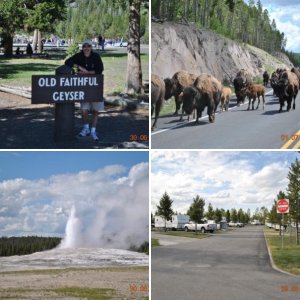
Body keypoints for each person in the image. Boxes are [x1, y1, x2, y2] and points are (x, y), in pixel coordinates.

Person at [65, 40, 104, 141]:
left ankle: (93, 130)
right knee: (84, 109)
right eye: (84, 46)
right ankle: (86, 128)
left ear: (91, 47)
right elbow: (67, 62)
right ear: (82, 48)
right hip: (84, 87)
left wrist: (87, 72)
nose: (86, 48)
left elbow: (100, 69)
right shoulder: (78, 56)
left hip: (95, 86)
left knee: (96, 110)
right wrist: (78, 67)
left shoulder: (96, 56)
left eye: (88, 46)